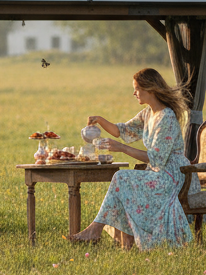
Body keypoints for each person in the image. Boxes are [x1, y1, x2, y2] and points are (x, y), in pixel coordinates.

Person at [71, 67, 199, 248]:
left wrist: (122, 148)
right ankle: (119, 238)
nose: (134, 93)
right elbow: (121, 130)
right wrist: (99, 119)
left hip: (172, 174)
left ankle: (97, 231)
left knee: (121, 178)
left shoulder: (167, 117)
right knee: (122, 182)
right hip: (158, 171)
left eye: (137, 88)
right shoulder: (147, 114)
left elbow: (156, 159)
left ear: (150, 89)